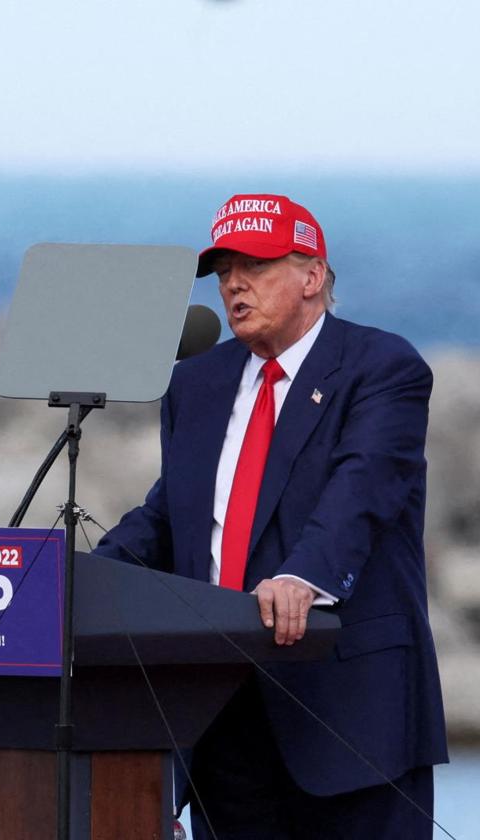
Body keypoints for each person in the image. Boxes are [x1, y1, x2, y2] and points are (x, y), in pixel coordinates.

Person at [94, 193, 448, 839]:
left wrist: (303, 577)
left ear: (312, 275)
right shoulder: (198, 380)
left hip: (348, 708)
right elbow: (174, 510)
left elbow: (362, 489)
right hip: (219, 708)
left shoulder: (381, 367)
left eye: (254, 265)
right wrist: (80, 579)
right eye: (225, 269)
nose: (234, 283)